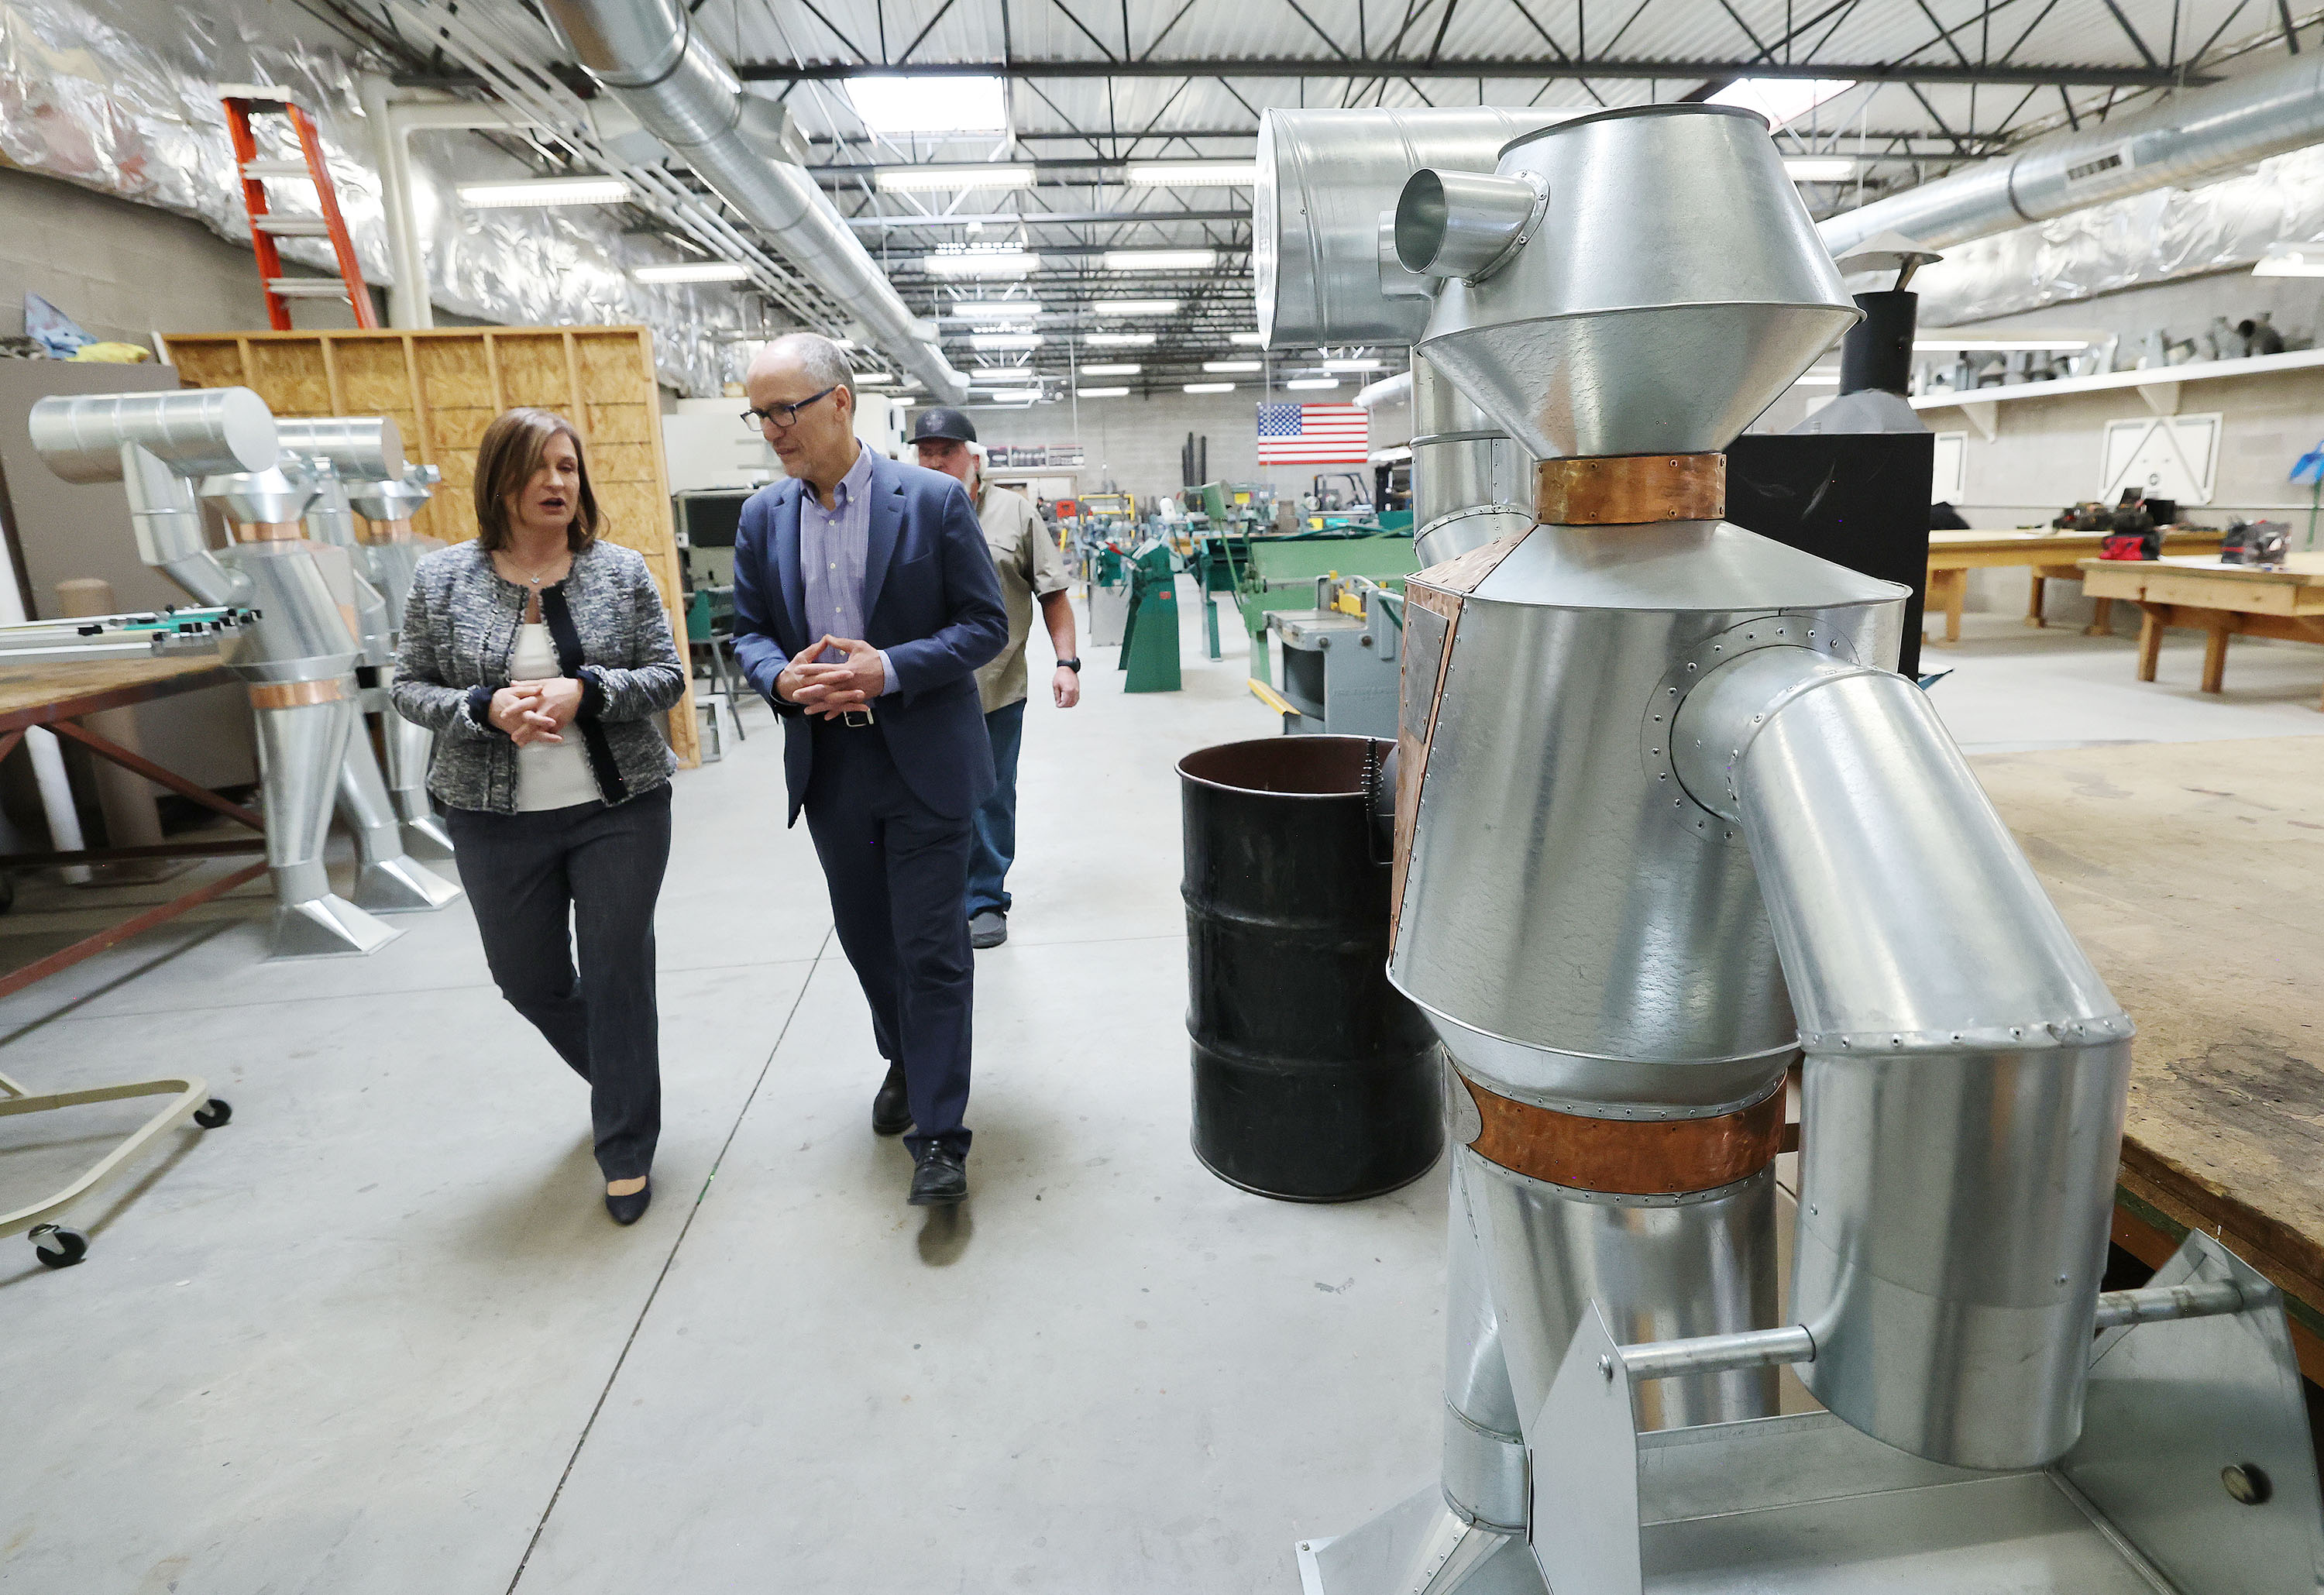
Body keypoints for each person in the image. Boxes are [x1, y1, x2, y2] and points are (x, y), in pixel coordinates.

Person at [728, 335, 1008, 1208]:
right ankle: (906, 1055)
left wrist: (886, 668)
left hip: (922, 755)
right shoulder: (763, 517)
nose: (773, 430)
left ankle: (940, 1132)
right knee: (866, 939)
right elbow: (746, 629)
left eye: (786, 410)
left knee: (931, 945)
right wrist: (778, 674)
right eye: (760, 413)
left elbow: (982, 626)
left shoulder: (929, 502)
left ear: (840, 402)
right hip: (832, 764)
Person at [391, 407, 687, 1226]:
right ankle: (626, 1078)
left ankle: (625, 1143)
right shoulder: (443, 579)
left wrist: (586, 691)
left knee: (619, 970)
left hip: (618, 808)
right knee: (528, 978)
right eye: (539, 468)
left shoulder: (620, 572)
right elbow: (409, 685)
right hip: (491, 817)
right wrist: (484, 709)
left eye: (568, 466)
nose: (558, 482)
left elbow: (666, 676)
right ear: (501, 481)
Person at [906, 407, 1079, 950]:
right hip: (924, 688)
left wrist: (1066, 663)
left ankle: (984, 900)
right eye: (926, 451)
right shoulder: (905, 511)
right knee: (927, 797)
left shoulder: (1015, 514)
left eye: (947, 450)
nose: (935, 461)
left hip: (997, 685)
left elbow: (1053, 594)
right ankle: (940, 899)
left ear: (973, 456)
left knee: (991, 796)